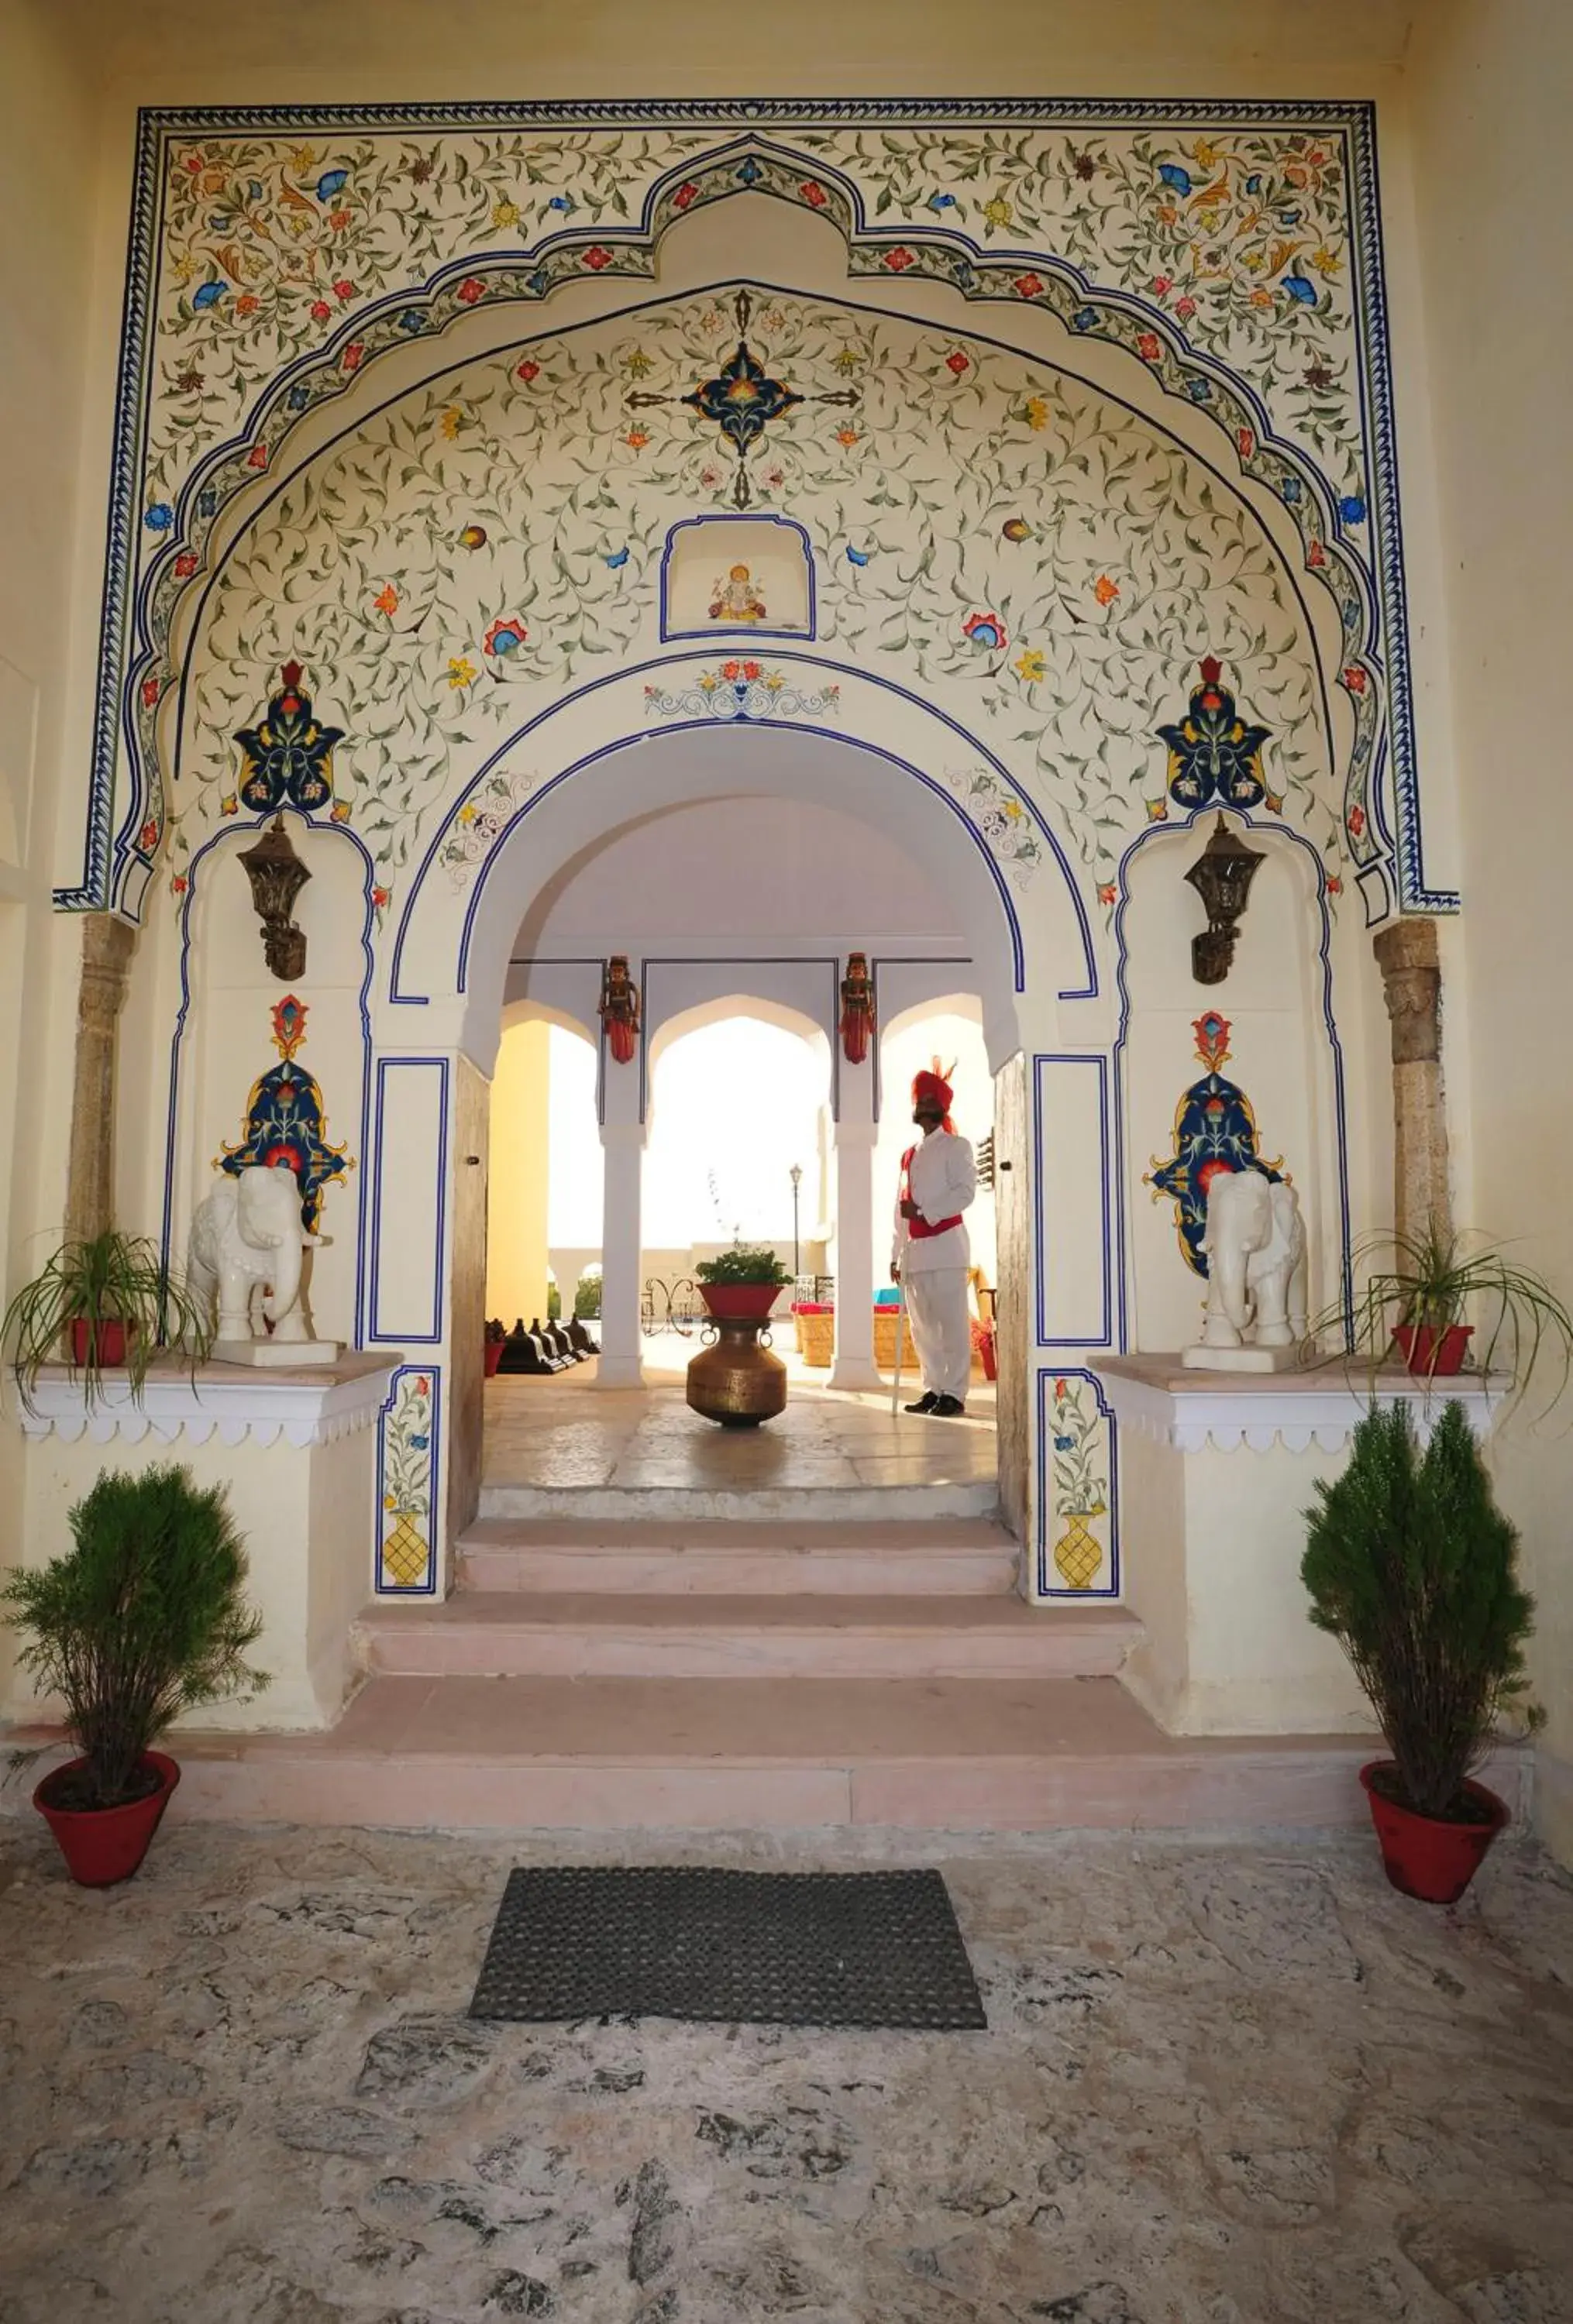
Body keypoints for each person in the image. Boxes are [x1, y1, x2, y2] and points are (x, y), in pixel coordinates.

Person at [892, 1065, 977, 1417]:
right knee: (923, 1328)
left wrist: (926, 1212)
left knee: (951, 1325)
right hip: (915, 1255)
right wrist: (895, 1254)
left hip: (946, 1249)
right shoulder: (909, 1154)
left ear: (942, 1106)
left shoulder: (957, 1147)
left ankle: (954, 1393)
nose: (924, 1105)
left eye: (930, 1099)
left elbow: (965, 1193)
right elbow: (899, 1210)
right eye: (919, 1100)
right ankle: (933, 1388)